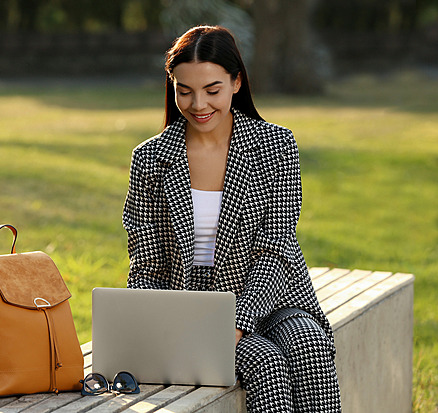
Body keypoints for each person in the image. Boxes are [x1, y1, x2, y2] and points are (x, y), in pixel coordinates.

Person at [122, 25, 342, 412]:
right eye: (184, 91)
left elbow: (275, 250)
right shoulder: (151, 158)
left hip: (273, 295)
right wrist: (155, 326)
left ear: (236, 82)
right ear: (172, 86)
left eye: (212, 90)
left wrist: (237, 324)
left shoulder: (275, 146)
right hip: (192, 306)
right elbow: (146, 264)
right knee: (266, 363)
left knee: (310, 344)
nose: (197, 105)